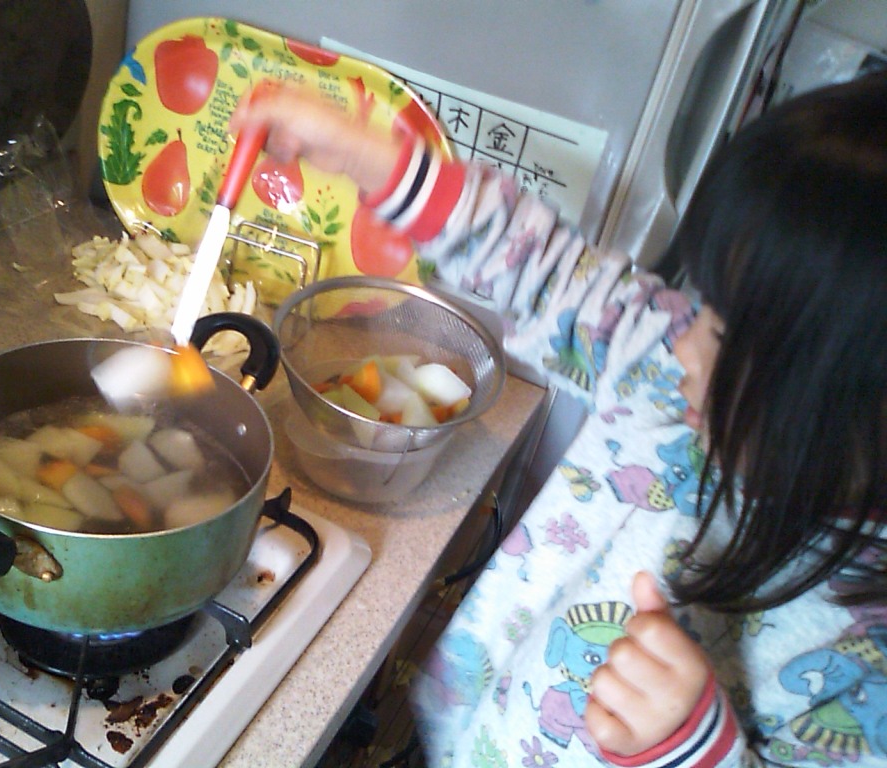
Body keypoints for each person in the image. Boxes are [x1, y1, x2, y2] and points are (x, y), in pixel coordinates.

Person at [232, 71, 887, 767]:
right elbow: (545, 270)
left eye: (723, 333)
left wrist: (695, 749)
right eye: (705, 306)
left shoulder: (863, 656)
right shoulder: (664, 362)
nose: (683, 342)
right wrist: (368, 158)